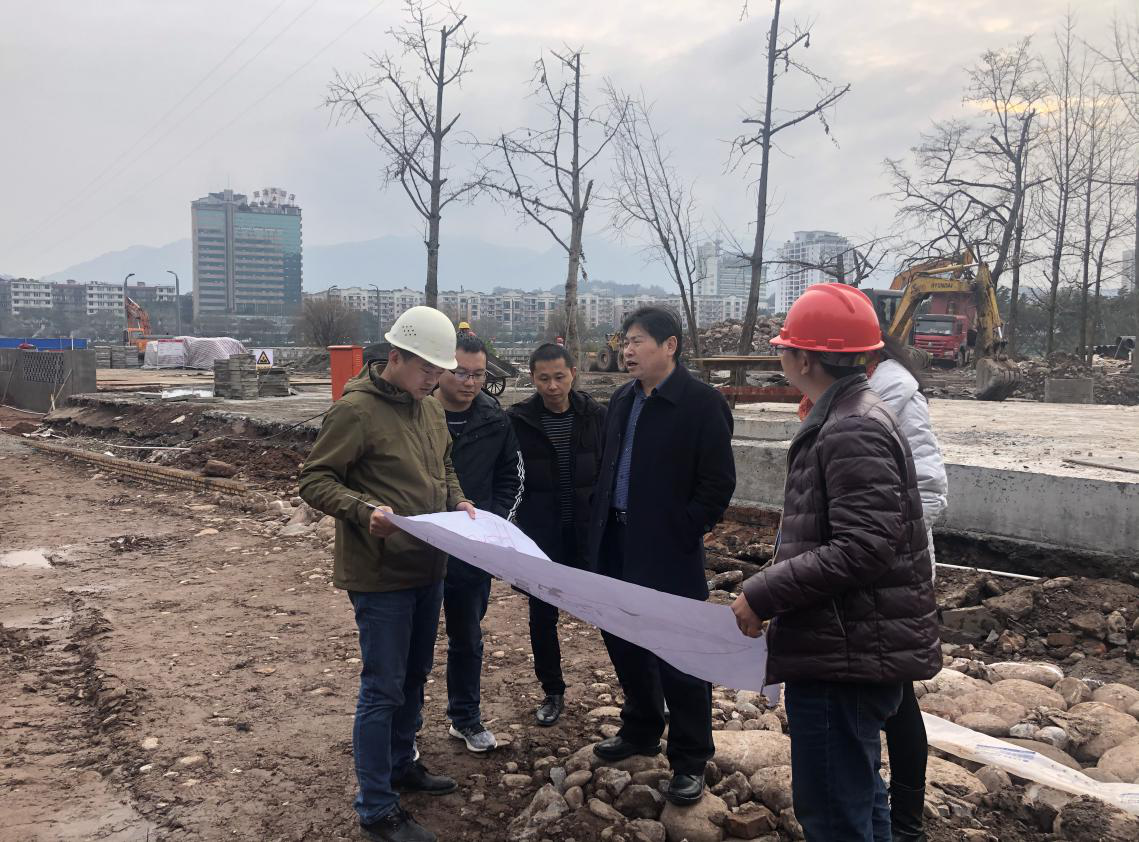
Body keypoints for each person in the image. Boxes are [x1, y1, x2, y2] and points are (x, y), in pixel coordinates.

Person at [730, 284, 941, 842]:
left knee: (833, 813)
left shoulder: (852, 427)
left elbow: (864, 546)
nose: (781, 356)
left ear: (804, 358)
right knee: (860, 798)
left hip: (843, 655)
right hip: (850, 645)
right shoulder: (851, 413)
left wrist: (763, 593)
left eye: (785, 348)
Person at [299, 306, 476, 842]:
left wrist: (458, 500)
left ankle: (402, 764)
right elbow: (315, 480)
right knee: (382, 688)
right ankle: (376, 808)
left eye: (439, 371)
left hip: (427, 565)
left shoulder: (429, 409)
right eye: (427, 369)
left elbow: (444, 465)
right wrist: (362, 511)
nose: (434, 380)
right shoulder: (355, 412)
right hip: (380, 575)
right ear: (395, 357)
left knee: (415, 674)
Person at [795, 332, 948, 842]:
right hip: (854, 593)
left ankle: (906, 822)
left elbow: (923, 494)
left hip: (872, 598)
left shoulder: (876, 408)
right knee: (870, 733)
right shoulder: (838, 404)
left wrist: (880, 557)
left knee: (889, 716)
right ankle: (890, 822)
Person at [586, 307, 736, 806]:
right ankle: (641, 728)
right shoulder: (623, 399)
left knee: (681, 655)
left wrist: (682, 529)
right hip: (616, 541)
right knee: (624, 642)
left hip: (669, 550)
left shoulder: (701, 404)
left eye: (637, 341)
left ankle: (690, 758)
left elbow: (717, 484)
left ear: (670, 345)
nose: (626, 351)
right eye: (624, 342)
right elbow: (607, 470)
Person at [507, 342, 607, 726]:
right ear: (533, 378)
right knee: (542, 617)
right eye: (544, 378)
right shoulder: (518, 421)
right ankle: (552, 691)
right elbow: (509, 477)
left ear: (573, 374)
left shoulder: (596, 416)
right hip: (541, 537)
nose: (552, 386)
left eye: (559, 377)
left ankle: (639, 690)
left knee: (612, 612)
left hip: (587, 535)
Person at [435, 334, 524, 753]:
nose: (470, 383)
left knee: (467, 636)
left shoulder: (494, 419)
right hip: (421, 544)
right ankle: (405, 729)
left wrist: (493, 524)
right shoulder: (418, 413)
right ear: (440, 369)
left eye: (478, 374)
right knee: (412, 642)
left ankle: (465, 718)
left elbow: (512, 476)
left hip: (472, 550)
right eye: (460, 373)